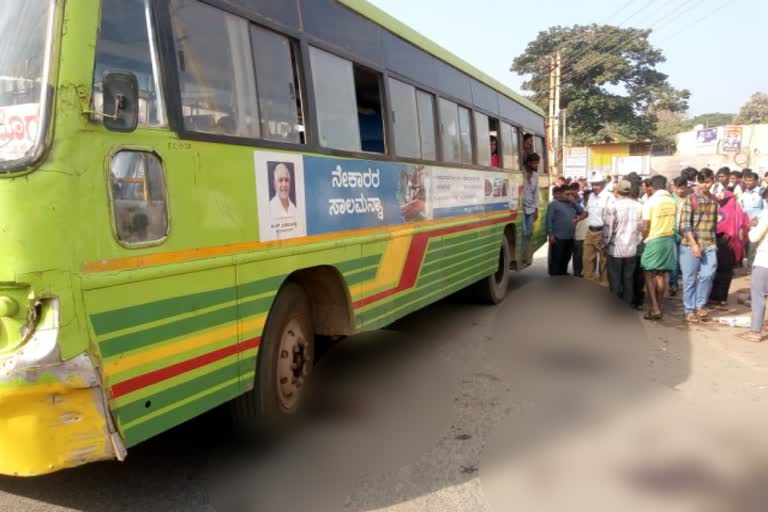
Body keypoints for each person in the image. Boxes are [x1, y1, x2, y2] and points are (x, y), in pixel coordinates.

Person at [679, 168, 719, 323]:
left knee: (708, 275)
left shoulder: (714, 199)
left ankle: (700, 305)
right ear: (697, 181)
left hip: (709, 243)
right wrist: (693, 243)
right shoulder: (691, 198)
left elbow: (714, 223)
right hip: (690, 245)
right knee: (689, 279)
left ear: (712, 181)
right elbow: (684, 224)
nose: (704, 185)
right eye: (701, 182)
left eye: (707, 182)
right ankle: (689, 309)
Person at [640, 175, 678, 320]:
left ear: (652, 187)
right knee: (661, 274)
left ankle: (655, 308)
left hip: (654, 239)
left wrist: (645, 239)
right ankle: (659, 306)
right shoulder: (672, 201)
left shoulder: (651, 202)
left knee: (648, 273)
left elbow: (645, 226)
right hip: (668, 239)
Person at [603, 180, 644, 306]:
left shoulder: (613, 206)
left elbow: (608, 229)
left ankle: (615, 306)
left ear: (617, 191)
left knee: (615, 279)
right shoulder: (639, 206)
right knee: (628, 279)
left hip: (615, 249)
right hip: (631, 249)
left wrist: (604, 245)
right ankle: (627, 305)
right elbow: (641, 229)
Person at [709, 191, 750, 308]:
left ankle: (715, 297)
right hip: (734, 245)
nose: (719, 201)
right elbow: (746, 227)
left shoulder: (723, 211)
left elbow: (717, 226)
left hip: (723, 242)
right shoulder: (740, 212)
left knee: (718, 270)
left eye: (721, 200)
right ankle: (722, 298)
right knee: (727, 272)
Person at [739, 208, 768, 342]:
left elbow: (754, 236)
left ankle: (755, 331)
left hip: (764, 261)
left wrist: (752, 226)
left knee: (758, 296)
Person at [547, 186, 587, 276]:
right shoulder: (553, 204)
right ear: (560, 194)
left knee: (566, 257)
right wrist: (550, 234)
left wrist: (574, 202)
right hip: (558, 237)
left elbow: (582, 212)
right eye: (567, 194)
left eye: (570, 194)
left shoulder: (571, 204)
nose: (569, 196)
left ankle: (563, 274)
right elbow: (549, 220)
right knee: (557, 258)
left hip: (570, 236)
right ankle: (554, 277)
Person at [583, 172, 613, 285]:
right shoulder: (591, 196)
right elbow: (587, 212)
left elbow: (611, 218)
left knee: (604, 261)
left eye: (597, 184)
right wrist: (577, 219)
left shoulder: (609, 197)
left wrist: (606, 236)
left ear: (603, 184)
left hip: (602, 232)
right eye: (593, 184)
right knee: (587, 259)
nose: (594, 187)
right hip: (590, 231)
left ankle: (604, 285)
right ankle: (588, 284)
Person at [669, 175, 689, 296]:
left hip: (686, 233)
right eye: (678, 188)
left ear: (686, 187)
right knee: (675, 261)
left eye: (682, 188)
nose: (680, 191)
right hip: (673, 232)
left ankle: (686, 284)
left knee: (685, 261)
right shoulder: (670, 200)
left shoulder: (689, 200)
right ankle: (673, 284)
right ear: (673, 188)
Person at [739, 170, 763, 271]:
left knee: (755, 248)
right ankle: (749, 268)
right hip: (745, 225)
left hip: (758, 225)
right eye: (746, 180)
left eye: (750, 180)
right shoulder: (744, 193)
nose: (747, 182)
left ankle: (754, 270)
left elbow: (766, 208)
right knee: (747, 248)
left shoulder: (762, 192)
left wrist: (758, 218)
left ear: (756, 181)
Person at [522, 153, 541, 265]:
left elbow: (536, 194)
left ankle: (525, 255)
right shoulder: (521, 172)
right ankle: (521, 255)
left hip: (530, 208)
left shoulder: (535, 176)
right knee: (523, 232)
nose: (536, 165)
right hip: (521, 208)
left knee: (528, 233)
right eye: (535, 163)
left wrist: (536, 209)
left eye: (537, 163)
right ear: (529, 163)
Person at [573, 189, 591, 277]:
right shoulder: (578, 207)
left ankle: (588, 273)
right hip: (579, 234)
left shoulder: (594, 207)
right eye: (587, 198)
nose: (589, 200)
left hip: (590, 235)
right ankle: (577, 273)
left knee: (589, 257)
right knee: (578, 256)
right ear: (584, 197)